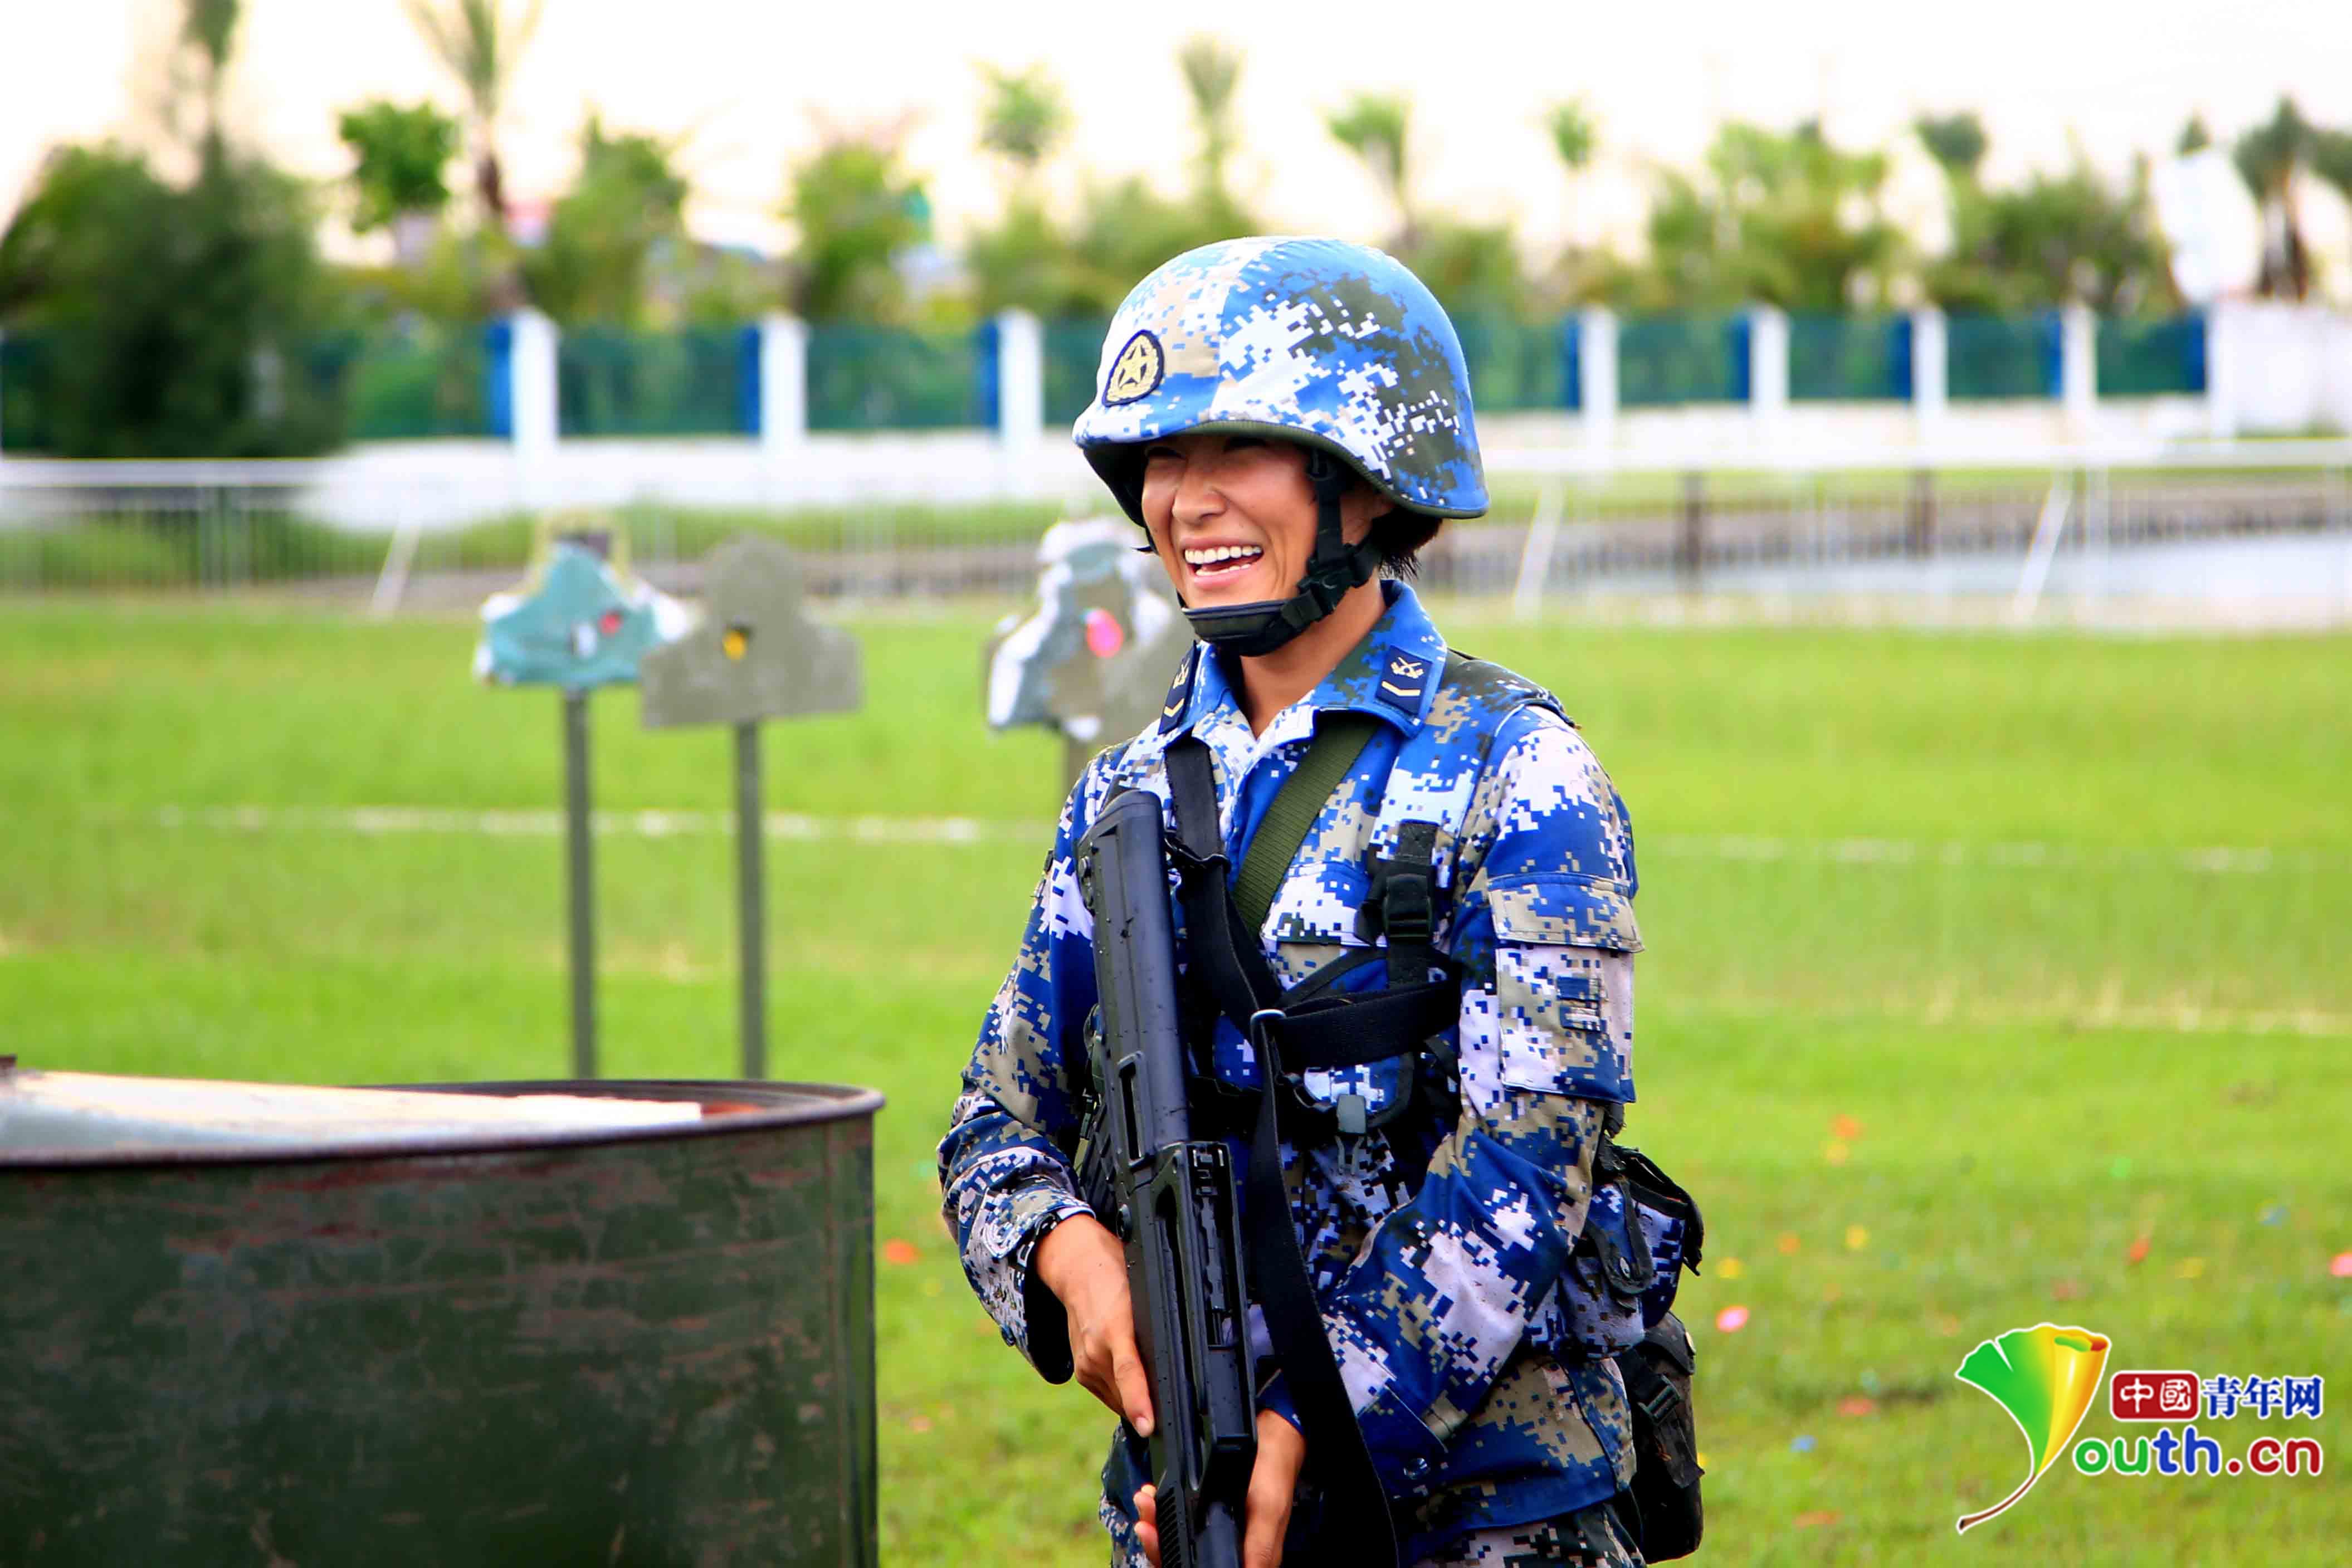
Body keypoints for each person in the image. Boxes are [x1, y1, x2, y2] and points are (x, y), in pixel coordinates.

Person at [938, 237, 1647, 1568]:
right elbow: (994, 1126)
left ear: (1367, 480)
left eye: (1241, 450)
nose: (1188, 499)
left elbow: (1530, 1164)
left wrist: (1306, 1423)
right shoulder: (1123, 798)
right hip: (1190, 1509)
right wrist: (1067, 1253)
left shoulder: (1514, 770)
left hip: (1483, 1520)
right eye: (1161, 457)